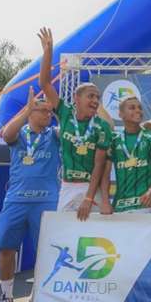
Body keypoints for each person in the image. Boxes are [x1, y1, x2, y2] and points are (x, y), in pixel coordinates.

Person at [0, 87, 60, 302]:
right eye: (42, 111)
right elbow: (6, 134)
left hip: (46, 201)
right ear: (30, 113)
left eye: (50, 112)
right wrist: (27, 108)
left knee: (46, 251)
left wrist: (56, 109)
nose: (47, 115)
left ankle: (39, 295)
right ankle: (6, 296)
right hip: (16, 200)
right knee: (6, 248)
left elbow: (69, 128)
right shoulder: (19, 134)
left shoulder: (54, 135)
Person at [38, 27, 113, 220]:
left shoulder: (102, 127)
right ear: (76, 98)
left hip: (91, 186)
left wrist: (89, 197)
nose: (95, 101)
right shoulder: (64, 112)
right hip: (68, 185)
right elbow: (45, 84)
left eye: (97, 97)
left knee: (93, 233)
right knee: (64, 233)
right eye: (91, 96)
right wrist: (48, 52)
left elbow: (99, 165)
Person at [105, 96, 151, 213]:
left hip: (146, 203)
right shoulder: (114, 139)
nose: (138, 110)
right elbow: (105, 173)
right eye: (132, 108)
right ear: (121, 114)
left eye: (140, 108)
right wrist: (106, 201)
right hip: (120, 204)